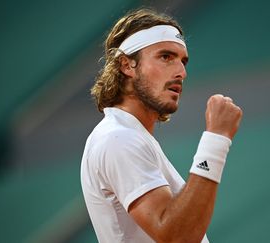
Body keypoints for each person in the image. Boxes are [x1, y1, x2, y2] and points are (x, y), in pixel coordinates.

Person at [80, 8, 242, 243]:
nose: (181, 72)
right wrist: (216, 138)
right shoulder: (118, 139)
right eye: (166, 57)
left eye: (183, 61)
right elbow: (178, 237)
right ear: (127, 65)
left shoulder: (129, 135)